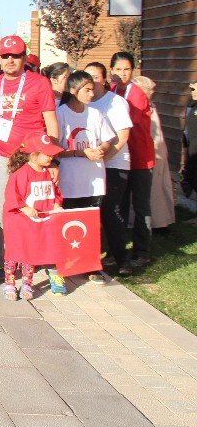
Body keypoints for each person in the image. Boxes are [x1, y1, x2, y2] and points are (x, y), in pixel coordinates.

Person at [0, 36, 58, 268]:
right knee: (3, 208)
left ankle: (35, 258)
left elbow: (51, 121)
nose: (10, 60)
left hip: (31, 158)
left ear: (24, 58)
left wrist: (52, 159)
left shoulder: (39, 83)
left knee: (34, 207)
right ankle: (6, 260)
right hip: (1, 154)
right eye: (6, 55)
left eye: (16, 55)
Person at [55, 71, 115, 288]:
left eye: (93, 89)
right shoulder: (60, 114)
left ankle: (92, 265)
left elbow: (109, 139)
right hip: (71, 180)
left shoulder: (96, 114)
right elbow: (56, 149)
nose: (92, 93)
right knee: (69, 222)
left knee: (92, 223)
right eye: (87, 89)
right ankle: (69, 262)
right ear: (73, 90)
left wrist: (102, 148)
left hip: (94, 178)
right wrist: (82, 153)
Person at [84, 62, 134, 276]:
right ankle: (95, 258)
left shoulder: (115, 102)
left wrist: (104, 160)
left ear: (104, 79)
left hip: (114, 164)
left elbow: (123, 136)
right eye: (88, 77)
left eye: (96, 77)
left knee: (110, 211)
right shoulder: (84, 102)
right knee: (92, 212)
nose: (92, 82)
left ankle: (122, 260)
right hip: (89, 166)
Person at [1, 133, 64, 300]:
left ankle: (27, 284)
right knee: (15, 253)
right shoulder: (21, 174)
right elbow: (12, 195)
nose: (51, 156)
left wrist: (57, 204)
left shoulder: (47, 173)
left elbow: (55, 193)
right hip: (20, 223)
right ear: (34, 155)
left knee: (31, 254)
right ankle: (10, 283)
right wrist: (24, 207)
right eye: (47, 153)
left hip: (38, 223)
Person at [109, 51, 156, 269]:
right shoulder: (112, 90)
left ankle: (142, 251)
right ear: (111, 71)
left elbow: (125, 126)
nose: (122, 73)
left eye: (126, 69)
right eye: (118, 69)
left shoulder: (136, 94)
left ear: (133, 71)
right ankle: (118, 250)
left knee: (141, 207)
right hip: (121, 158)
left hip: (140, 160)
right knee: (119, 205)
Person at [133, 75, 175, 230]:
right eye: (149, 89)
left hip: (156, 152)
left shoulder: (150, 106)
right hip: (147, 153)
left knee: (158, 189)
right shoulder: (140, 105)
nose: (151, 92)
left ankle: (161, 221)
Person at [183, 81, 197, 202]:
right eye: (192, 89)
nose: (194, 92)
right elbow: (187, 129)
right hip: (192, 147)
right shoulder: (190, 106)